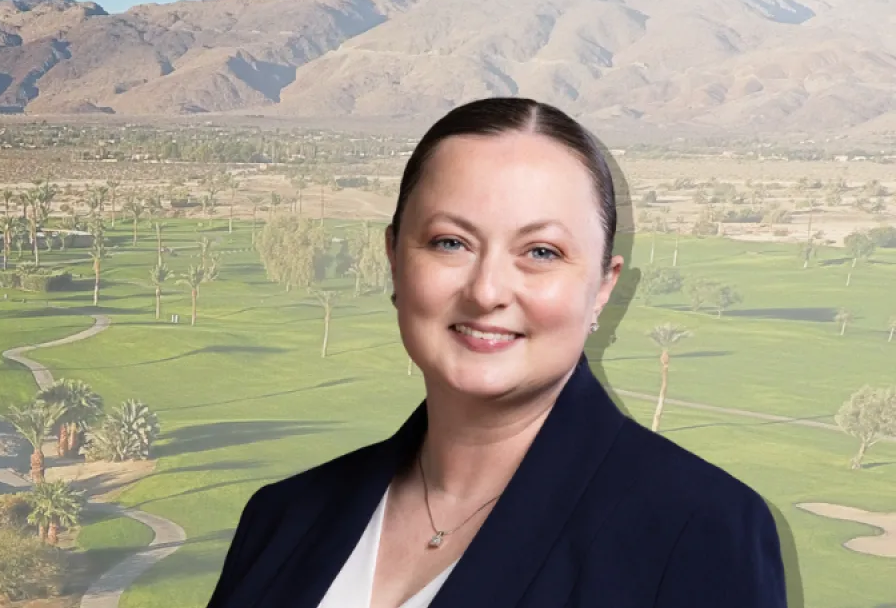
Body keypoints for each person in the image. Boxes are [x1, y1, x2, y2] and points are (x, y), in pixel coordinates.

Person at [203, 97, 787, 608]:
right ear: (394, 259)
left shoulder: (701, 530)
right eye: (450, 242)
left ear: (603, 288)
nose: (486, 291)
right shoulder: (283, 516)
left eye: (541, 252)